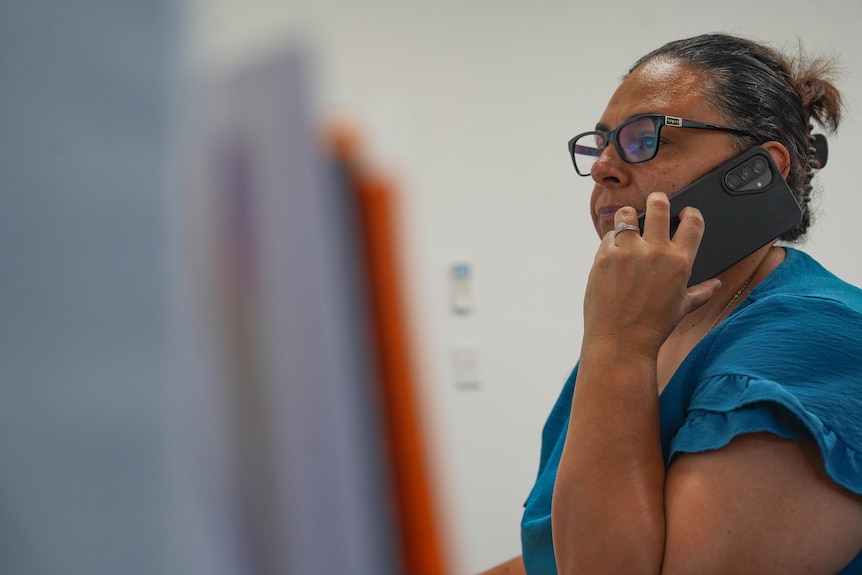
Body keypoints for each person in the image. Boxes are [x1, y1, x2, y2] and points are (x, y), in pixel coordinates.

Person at [479, 33, 862, 575]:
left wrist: (618, 343)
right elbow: (560, 553)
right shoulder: (648, 331)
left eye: (644, 138)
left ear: (760, 167)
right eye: (601, 144)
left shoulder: (821, 340)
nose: (603, 167)